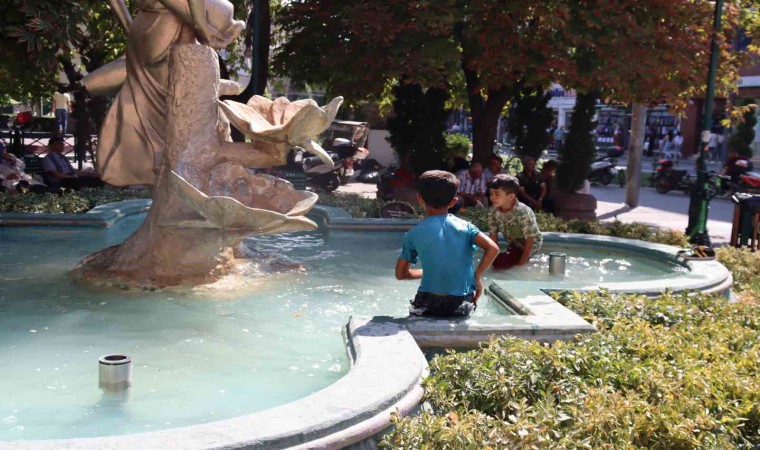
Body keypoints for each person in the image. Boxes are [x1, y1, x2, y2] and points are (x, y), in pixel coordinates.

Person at [93, 0, 244, 187]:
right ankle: (192, 178)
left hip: (145, 29)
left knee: (158, 105)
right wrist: (200, 25)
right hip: (170, 27)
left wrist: (130, 27)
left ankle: (168, 174)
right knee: (186, 109)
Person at [396, 170, 499, 317]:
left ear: (420, 199)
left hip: (427, 300)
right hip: (461, 299)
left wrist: (428, 271)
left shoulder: (413, 234)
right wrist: (476, 277)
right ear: (453, 202)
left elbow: (401, 274)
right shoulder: (466, 228)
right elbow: (493, 248)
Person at [487, 174, 543, 270]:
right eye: (491, 194)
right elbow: (493, 236)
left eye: (497, 194)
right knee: (497, 263)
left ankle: (526, 260)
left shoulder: (523, 212)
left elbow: (530, 240)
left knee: (507, 265)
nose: (492, 197)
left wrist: (521, 266)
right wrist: (491, 259)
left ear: (511, 196)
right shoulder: (493, 212)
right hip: (514, 245)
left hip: (531, 245)